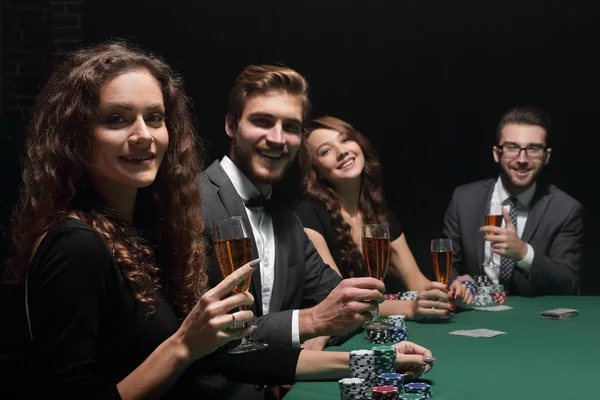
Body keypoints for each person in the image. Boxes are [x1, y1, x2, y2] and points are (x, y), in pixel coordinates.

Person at [0, 42, 435, 400]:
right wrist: (188, 344)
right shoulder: (79, 242)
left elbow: (223, 352)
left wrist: (376, 359)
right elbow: (196, 352)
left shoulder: (139, 227)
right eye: (116, 119)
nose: (143, 135)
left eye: (155, 118)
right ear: (75, 134)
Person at [200, 65, 402, 398]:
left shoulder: (288, 222)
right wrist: (308, 323)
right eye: (262, 121)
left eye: (290, 127)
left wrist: (313, 339)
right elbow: (201, 335)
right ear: (231, 125)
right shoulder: (191, 204)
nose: (277, 138)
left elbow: (342, 306)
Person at [295, 116, 472, 321]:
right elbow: (340, 299)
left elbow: (416, 282)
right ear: (316, 171)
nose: (342, 151)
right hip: (333, 336)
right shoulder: (308, 215)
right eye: (326, 151)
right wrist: (410, 309)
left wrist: (448, 293)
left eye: (345, 140)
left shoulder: (379, 213)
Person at [442, 105, 583, 296]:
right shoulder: (464, 199)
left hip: (535, 320)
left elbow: (569, 283)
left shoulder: (565, 209)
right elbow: (448, 265)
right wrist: (455, 283)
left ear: (546, 156)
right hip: (475, 313)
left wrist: (524, 253)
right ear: (496, 153)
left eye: (533, 148)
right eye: (512, 147)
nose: (522, 159)